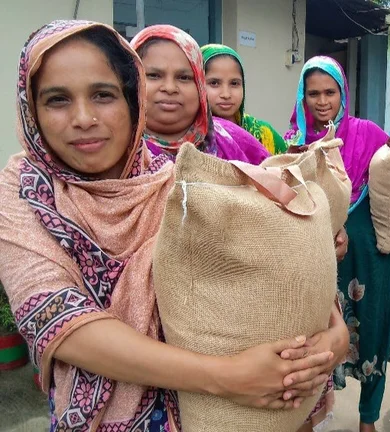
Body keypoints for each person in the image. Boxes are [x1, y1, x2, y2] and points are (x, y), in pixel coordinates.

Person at [0, 20, 346, 431]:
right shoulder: (26, 190)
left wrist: (333, 331)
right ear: (32, 110)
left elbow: (267, 253)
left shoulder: (175, 178)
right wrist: (227, 377)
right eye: (57, 100)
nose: (84, 118)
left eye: (103, 95)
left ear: (131, 100)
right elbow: (59, 320)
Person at [285, 55, 390, 432]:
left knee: (372, 332)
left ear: (343, 94)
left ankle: (368, 419)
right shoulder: (294, 142)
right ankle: (310, 414)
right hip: (320, 256)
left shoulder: (367, 134)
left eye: (330, 92)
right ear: (302, 97)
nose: (322, 102)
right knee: (316, 337)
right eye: (313, 93)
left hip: (371, 251)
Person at [130, 25, 269, 164]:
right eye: (154, 75)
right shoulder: (120, 150)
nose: (170, 88)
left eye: (184, 77)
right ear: (131, 80)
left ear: (200, 86)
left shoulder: (234, 138)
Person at [201, 43, 288, 155]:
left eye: (234, 83)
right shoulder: (191, 137)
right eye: (214, 83)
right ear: (198, 84)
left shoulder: (262, 133)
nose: (226, 94)